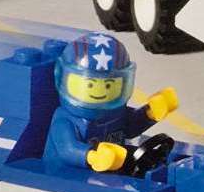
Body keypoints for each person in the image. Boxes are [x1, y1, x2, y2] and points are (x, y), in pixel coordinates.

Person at [42, 33, 177, 173]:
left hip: (109, 171)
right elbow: (68, 149)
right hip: (65, 174)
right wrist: (93, 157)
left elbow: (130, 128)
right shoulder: (65, 120)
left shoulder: (116, 115)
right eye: (90, 84)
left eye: (109, 85)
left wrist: (150, 113)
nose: (99, 93)